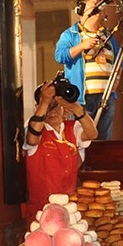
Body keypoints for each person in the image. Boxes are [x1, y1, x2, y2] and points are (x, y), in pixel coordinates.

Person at [23, 80, 98, 216]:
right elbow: (32, 139)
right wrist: (44, 102)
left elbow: (92, 134)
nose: (52, 111)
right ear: (38, 107)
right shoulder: (33, 126)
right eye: (48, 107)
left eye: (57, 106)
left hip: (69, 209)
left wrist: (76, 108)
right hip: (41, 211)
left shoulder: (72, 128)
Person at [54, 0, 120, 140]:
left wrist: (117, 79)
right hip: (83, 98)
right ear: (81, 10)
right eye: (94, 6)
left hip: (106, 98)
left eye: (100, 6)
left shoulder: (108, 35)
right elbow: (60, 56)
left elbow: (120, 60)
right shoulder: (71, 34)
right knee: (80, 138)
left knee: (104, 140)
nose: (98, 9)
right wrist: (82, 46)